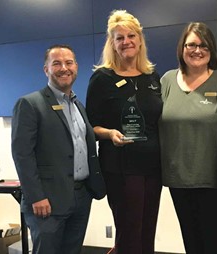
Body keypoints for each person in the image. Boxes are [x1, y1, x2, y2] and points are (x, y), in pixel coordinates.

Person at [159, 22, 217, 254]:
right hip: (179, 181)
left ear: (211, 50)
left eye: (203, 45)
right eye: (191, 45)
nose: (197, 50)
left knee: (216, 246)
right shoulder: (167, 81)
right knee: (192, 244)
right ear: (182, 48)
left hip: (215, 182)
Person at [11, 44, 106, 254]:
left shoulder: (78, 105)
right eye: (57, 63)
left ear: (76, 67)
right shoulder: (30, 104)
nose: (64, 68)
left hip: (81, 196)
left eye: (69, 62)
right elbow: (22, 154)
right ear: (46, 69)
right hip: (47, 201)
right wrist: (36, 196)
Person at [85, 10, 162, 254]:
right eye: (119, 38)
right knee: (129, 233)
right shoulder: (102, 78)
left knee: (148, 230)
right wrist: (110, 134)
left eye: (131, 35)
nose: (126, 41)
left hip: (152, 167)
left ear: (140, 40)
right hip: (121, 167)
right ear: (112, 43)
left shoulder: (152, 77)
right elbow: (90, 126)